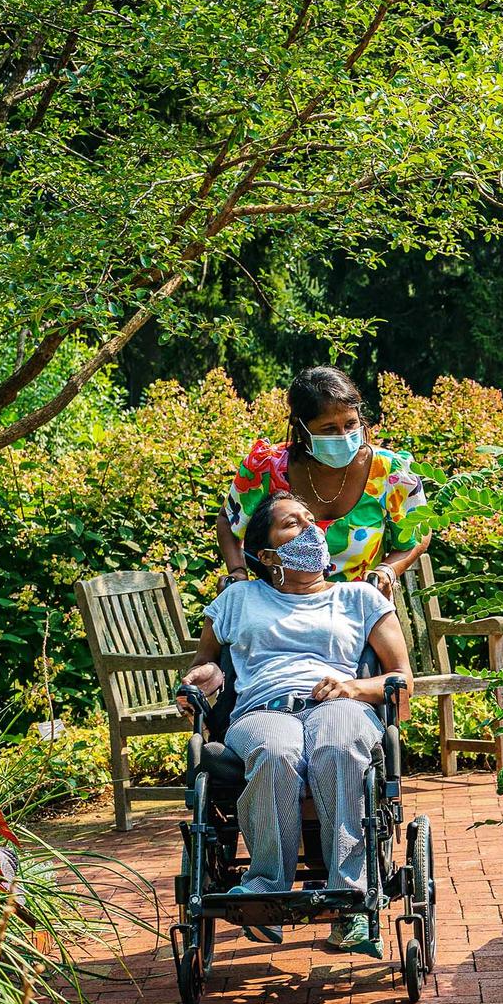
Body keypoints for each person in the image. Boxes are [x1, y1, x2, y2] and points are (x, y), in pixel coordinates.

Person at [180, 491, 413, 954]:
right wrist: (202, 680)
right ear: (266, 554)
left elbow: (402, 682)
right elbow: (208, 666)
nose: (309, 529)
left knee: (339, 747)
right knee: (275, 751)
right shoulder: (237, 599)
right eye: (292, 524)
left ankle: (353, 899)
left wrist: (353, 688)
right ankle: (265, 890)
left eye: (311, 519)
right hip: (262, 709)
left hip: (339, 703)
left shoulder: (360, 597)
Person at [216, 366, 429, 598]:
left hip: (358, 610)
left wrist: (387, 571)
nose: (343, 436)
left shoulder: (390, 471)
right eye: (329, 429)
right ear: (301, 427)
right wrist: (237, 573)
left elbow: (418, 533)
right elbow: (229, 521)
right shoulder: (266, 467)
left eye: (350, 424)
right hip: (278, 608)